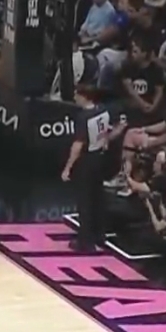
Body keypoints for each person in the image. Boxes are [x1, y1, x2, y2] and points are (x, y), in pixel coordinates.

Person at [61, 85, 123, 251]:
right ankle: (99, 235)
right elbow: (113, 129)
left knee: (85, 201)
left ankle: (85, 242)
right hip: (99, 158)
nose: (74, 97)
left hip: (86, 161)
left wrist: (68, 167)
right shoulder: (102, 110)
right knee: (97, 198)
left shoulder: (83, 117)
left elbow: (78, 145)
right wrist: (106, 140)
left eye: (77, 94)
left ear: (84, 96)